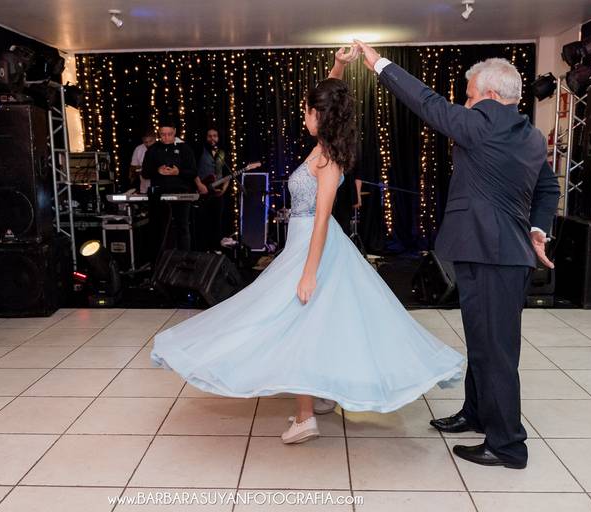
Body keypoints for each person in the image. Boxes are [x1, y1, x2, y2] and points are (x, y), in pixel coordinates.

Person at [151, 47, 464, 444]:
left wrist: (309, 272)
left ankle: (305, 417)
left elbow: (321, 219)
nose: (303, 117)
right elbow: (330, 97)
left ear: (320, 116)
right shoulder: (322, 145)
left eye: (306, 111)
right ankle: (318, 394)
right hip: (304, 244)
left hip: (315, 247)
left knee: (301, 323)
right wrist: (340, 66)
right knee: (316, 322)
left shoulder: (328, 159)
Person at [354, 41, 560, 469]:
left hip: (491, 257)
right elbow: (548, 187)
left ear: (489, 95)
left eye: (469, 96)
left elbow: (426, 102)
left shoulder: (482, 124)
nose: (464, 104)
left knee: (495, 352)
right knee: (484, 343)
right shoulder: (531, 135)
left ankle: (507, 446)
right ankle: (477, 413)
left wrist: (378, 63)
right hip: (503, 256)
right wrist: (538, 230)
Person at [141, 119, 198, 259]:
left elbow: (193, 172)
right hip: (158, 194)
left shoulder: (184, 149)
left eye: (169, 134)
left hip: (181, 192)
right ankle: (158, 261)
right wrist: (157, 171)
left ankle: (184, 259)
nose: (166, 137)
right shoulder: (153, 150)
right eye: (163, 134)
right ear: (159, 133)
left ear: (175, 132)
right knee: (158, 228)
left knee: (182, 226)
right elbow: (145, 173)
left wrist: (178, 172)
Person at [195, 128, 229, 250]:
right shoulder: (200, 150)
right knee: (203, 221)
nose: (212, 138)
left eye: (215, 136)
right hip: (202, 191)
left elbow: (227, 174)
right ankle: (203, 249)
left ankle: (216, 248)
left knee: (217, 221)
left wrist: (224, 189)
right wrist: (199, 185)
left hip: (218, 192)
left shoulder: (222, 152)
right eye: (209, 136)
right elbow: (193, 170)